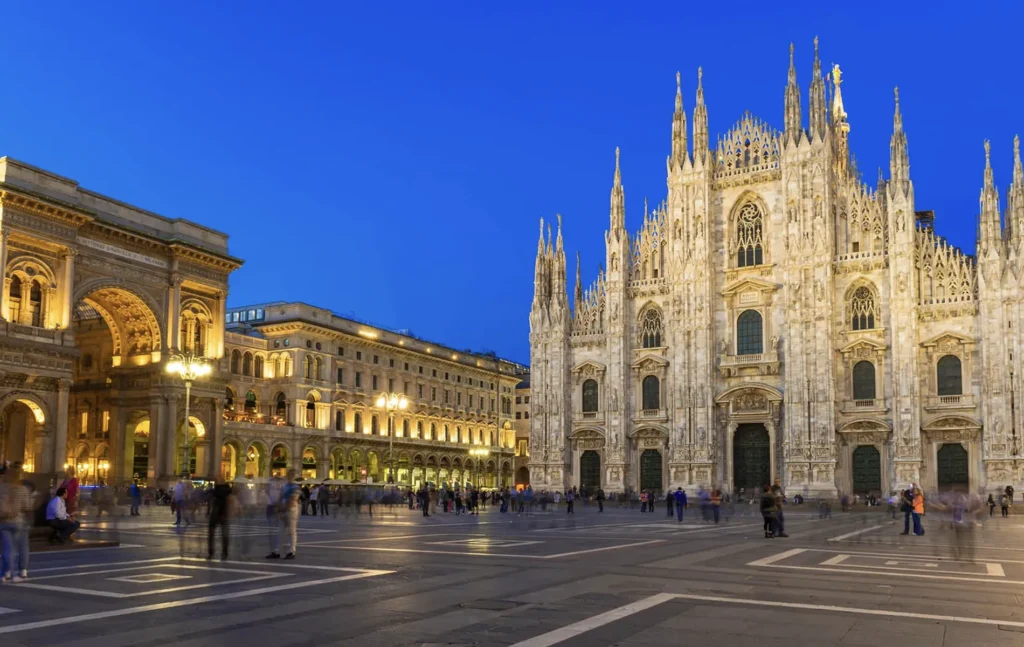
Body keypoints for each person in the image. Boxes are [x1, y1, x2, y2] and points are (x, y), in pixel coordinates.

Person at [0, 463, 32, 583]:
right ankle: (17, 572)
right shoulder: (22, 489)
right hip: (18, 522)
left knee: (7, 548)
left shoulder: (2, 488)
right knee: (16, 547)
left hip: (3, 521)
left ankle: (5, 573)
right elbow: (26, 506)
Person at [267, 470, 300, 560]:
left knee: (291, 532)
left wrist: (282, 508)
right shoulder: (285, 486)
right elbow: (280, 497)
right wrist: (278, 507)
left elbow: (292, 500)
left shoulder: (296, 487)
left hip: (291, 510)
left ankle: (291, 551)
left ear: (294, 476)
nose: (289, 477)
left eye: (291, 475)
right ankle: (276, 551)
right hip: (283, 510)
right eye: (288, 475)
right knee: (280, 532)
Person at [208, 480, 232, 560]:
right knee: (224, 535)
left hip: (216, 513)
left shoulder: (215, 491)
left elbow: (211, 501)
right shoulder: (227, 491)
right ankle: (224, 553)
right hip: (223, 514)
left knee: (212, 534)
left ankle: (212, 553)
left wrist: (208, 511)